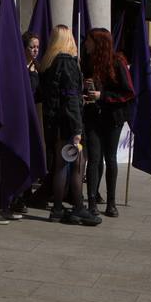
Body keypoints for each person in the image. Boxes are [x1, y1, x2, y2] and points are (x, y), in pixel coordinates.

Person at [40, 26, 100, 226]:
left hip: (54, 122)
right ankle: (78, 207)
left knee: (59, 165)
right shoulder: (68, 63)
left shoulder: (49, 63)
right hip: (68, 122)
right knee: (76, 165)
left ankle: (57, 208)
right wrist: (76, 130)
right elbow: (71, 99)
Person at [81, 28, 134, 217]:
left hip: (113, 117)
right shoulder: (88, 61)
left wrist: (101, 95)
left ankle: (111, 203)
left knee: (110, 158)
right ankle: (92, 201)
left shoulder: (117, 62)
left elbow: (128, 92)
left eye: (88, 40)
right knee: (94, 159)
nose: (86, 43)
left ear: (98, 43)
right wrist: (86, 90)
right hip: (93, 115)